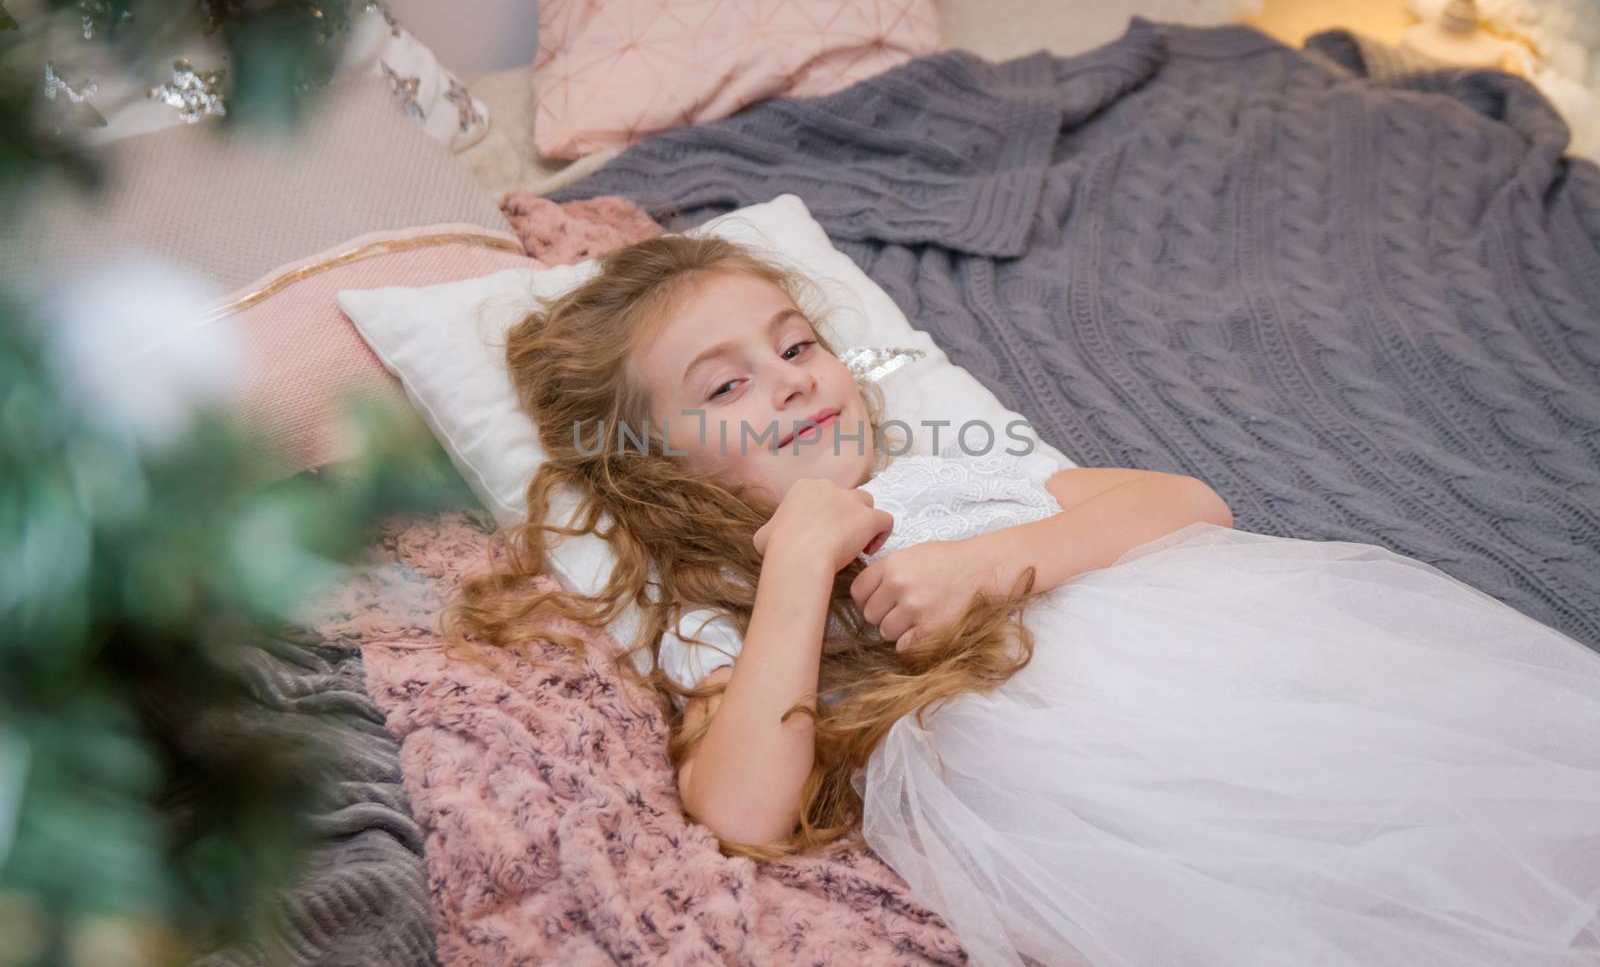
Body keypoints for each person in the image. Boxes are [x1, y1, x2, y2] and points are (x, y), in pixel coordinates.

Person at [443, 234, 1600, 967]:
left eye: (796, 343)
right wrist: (797, 561)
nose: (790, 376)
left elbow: (1188, 503)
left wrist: (994, 561)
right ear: (657, 459)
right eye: (726, 383)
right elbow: (742, 810)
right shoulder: (724, 607)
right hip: (1100, 802)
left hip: (1242, 669)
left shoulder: (947, 472)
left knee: (1471, 810)